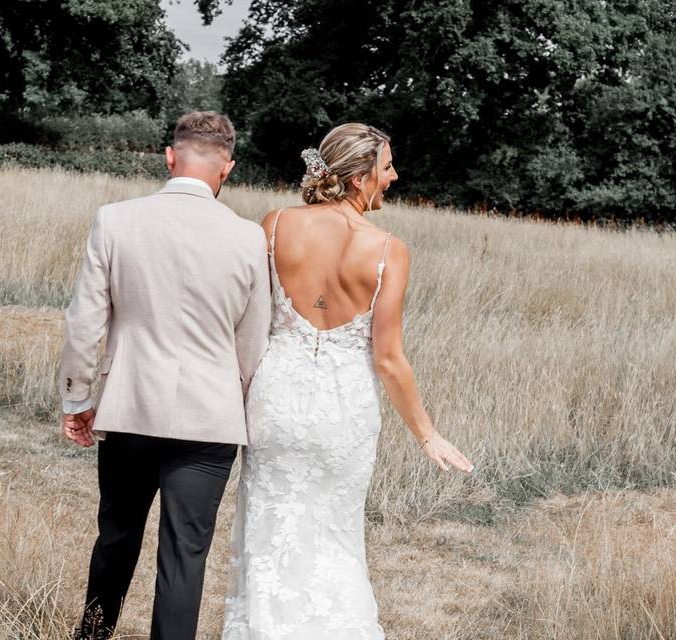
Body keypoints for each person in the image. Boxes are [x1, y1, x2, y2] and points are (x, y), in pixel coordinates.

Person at [221, 123, 474, 639]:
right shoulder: (386, 250)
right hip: (343, 408)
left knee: (269, 533)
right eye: (386, 167)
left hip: (278, 398)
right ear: (360, 179)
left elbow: (249, 322)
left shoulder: (274, 225)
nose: (393, 176)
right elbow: (388, 359)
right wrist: (427, 433)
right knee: (336, 538)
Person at [58, 111, 270, 640]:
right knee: (185, 554)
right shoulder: (248, 239)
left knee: (117, 535)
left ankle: (92, 635)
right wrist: (242, 406)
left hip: (130, 408)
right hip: (211, 421)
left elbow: (84, 321)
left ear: (170, 157)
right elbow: (254, 344)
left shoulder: (115, 219)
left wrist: (78, 398)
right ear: (228, 168)